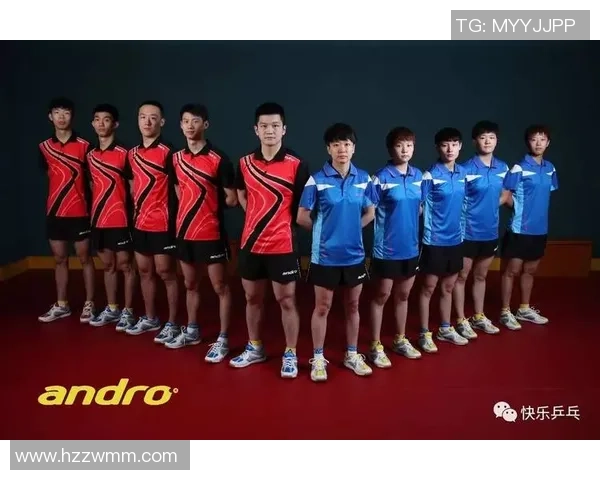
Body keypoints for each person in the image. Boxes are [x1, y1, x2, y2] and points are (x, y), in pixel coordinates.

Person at [229, 102, 309, 379]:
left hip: (283, 245)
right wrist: (256, 218)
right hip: (251, 244)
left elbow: (303, 207)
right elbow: (241, 195)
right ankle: (255, 347)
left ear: (284, 129)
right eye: (264, 126)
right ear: (256, 130)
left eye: (275, 126)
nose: (270, 131)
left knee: (286, 300)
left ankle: (290, 353)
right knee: (252, 298)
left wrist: (277, 223)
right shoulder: (244, 163)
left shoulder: (297, 164)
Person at [297, 123, 376, 382]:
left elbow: (370, 212)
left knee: (353, 306)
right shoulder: (316, 180)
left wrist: (351, 230)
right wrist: (325, 234)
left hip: (355, 255)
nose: (342, 149)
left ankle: (352, 354)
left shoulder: (363, 178)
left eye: (347, 144)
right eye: (336, 144)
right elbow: (302, 217)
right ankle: (318, 358)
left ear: (354, 148)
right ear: (328, 149)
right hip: (325, 257)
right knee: (322, 307)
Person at [164, 103, 237, 363]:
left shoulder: (219, 159)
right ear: (180, 125)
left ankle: (223, 338)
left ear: (205, 125)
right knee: (190, 284)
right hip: (185, 232)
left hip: (211, 233)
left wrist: (207, 204)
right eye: (186, 121)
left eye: (195, 121)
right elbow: (178, 191)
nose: (190, 126)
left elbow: (231, 199)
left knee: (220, 286)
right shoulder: (175, 158)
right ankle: (192, 330)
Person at [37, 97, 96, 323]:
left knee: (85, 258)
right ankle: (62, 304)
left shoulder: (85, 146)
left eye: (66, 112)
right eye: (57, 112)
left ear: (73, 116)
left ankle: (90, 304)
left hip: (79, 212)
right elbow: (50, 175)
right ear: (50, 116)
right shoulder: (44, 147)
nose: (61, 117)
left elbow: (92, 181)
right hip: (55, 213)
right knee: (60, 259)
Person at [368, 127, 423, 368]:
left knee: (403, 296)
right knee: (381, 296)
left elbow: (419, 208)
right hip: (386, 249)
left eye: (409, 145)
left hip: (410, 248)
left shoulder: (419, 176)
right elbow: (369, 211)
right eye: (400, 145)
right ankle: (375, 345)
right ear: (391, 149)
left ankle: (400, 339)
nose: (405, 150)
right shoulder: (380, 177)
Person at [125, 100, 180, 338]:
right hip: (140, 223)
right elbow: (132, 188)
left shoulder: (170, 153)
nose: (147, 122)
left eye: (153, 117)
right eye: (142, 117)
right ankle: (150, 318)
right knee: (144, 271)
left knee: (166, 273)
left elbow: (179, 189)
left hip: (163, 223)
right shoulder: (131, 154)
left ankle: (173, 323)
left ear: (162, 122)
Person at [452, 121, 511, 337]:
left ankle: (478, 316)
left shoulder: (503, 168)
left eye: (491, 137)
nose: (487, 141)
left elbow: (505, 195)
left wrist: (488, 207)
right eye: (483, 137)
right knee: (461, 276)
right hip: (467, 231)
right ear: (474, 141)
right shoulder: (465, 169)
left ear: (497, 141)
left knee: (481, 276)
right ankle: (461, 320)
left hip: (490, 231)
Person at [499, 124, 558, 329]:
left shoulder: (550, 168)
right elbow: (506, 196)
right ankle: (505, 312)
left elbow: (545, 194)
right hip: (519, 228)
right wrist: (519, 209)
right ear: (528, 142)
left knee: (530, 270)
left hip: (540, 229)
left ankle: (523, 309)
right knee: (511, 271)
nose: (538, 143)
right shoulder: (519, 168)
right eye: (534, 139)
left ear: (548, 143)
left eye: (542, 139)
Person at [85, 104, 137, 329]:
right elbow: (91, 186)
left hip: (121, 219)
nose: (101, 123)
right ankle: (113, 307)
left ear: (115, 124)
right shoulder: (90, 155)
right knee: (108, 265)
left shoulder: (126, 154)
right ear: (92, 124)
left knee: (126, 265)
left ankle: (128, 311)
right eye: (97, 119)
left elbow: (133, 188)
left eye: (106, 119)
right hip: (99, 219)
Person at [418, 127, 469, 353]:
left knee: (448, 287)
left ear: (460, 147)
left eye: (454, 144)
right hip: (434, 240)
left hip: (456, 239)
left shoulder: (464, 173)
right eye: (445, 144)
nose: (450, 149)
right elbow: (418, 206)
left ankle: (445, 328)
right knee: (429, 288)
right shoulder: (429, 175)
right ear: (438, 147)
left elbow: (465, 204)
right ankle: (424, 333)